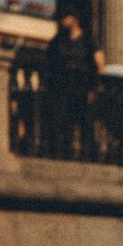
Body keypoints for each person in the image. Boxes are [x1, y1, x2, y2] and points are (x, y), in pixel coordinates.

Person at [45, 12, 101, 158]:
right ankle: (65, 153)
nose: (61, 22)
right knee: (64, 121)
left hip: (83, 85)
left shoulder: (89, 40)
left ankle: (88, 155)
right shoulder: (58, 41)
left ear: (74, 19)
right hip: (63, 86)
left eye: (64, 18)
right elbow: (50, 62)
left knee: (86, 122)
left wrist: (93, 88)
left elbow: (100, 65)